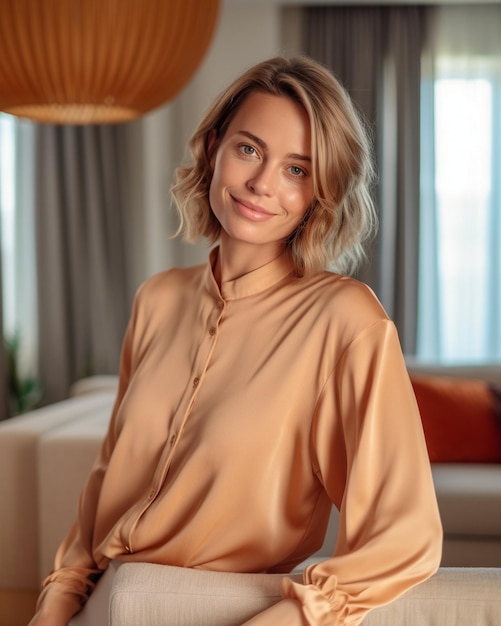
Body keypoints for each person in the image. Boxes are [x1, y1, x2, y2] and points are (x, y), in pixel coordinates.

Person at [29, 55, 442, 626]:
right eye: (249, 149)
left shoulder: (346, 319)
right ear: (215, 147)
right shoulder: (158, 299)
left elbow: (406, 534)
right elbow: (105, 482)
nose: (261, 184)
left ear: (321, 191)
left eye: (297, 169)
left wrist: (295, 617)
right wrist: (56, 605)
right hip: (104, 604)